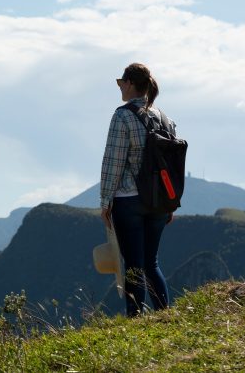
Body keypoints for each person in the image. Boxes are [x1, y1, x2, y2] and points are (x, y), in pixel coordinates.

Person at [100, 63, 176, 317]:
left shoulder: (123, 116)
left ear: (131, 83)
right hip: (158, 200)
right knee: (151, 262)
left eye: (121, 82)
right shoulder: (165, 119)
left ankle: (135, 319)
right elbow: (172, 165)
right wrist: (170, 202)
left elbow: (114, 162)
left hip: (128, 199)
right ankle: (165, 314)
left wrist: (105, 201)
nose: (120, 87)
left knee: (133, 265)